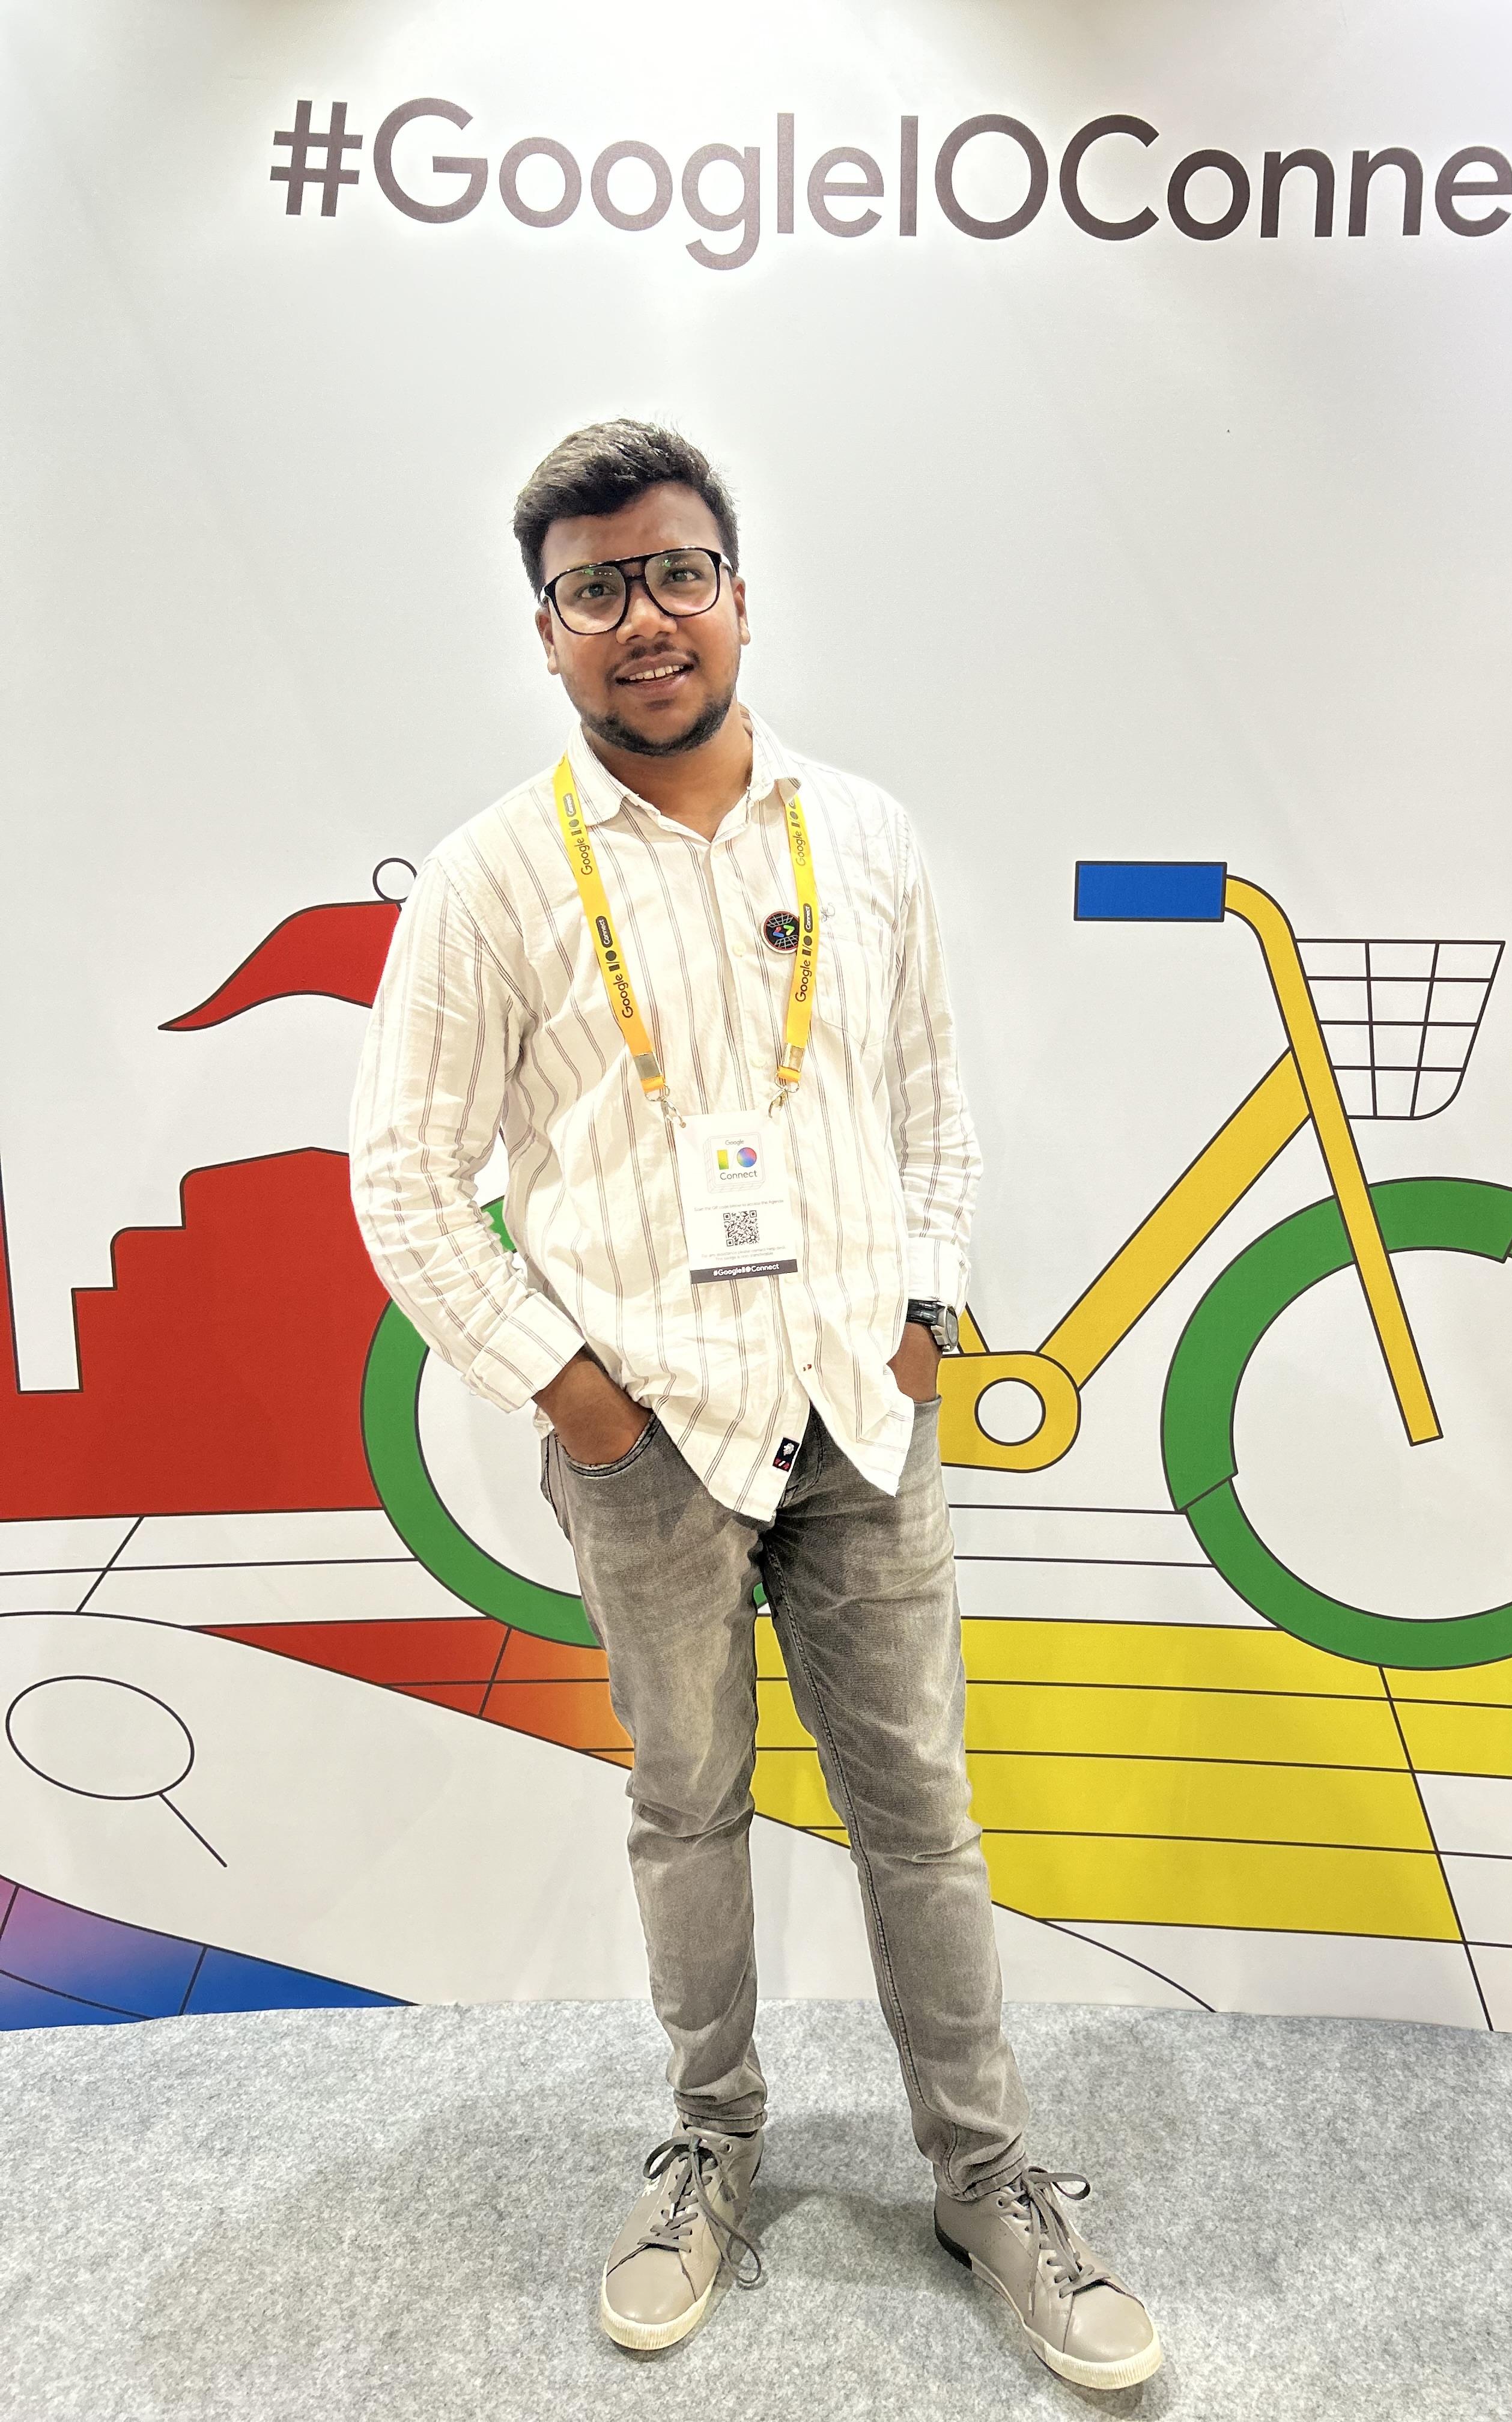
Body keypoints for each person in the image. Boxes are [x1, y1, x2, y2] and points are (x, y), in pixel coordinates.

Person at [349, 419, 1161, 2392]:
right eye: (596, 589)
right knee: (683, 1807)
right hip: (646, 1435)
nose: (646, 619)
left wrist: (922, 1323)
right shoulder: (488, 881)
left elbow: (935, 1115)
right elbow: (401, 1173)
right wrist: (575, 1395)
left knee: (923, 1818)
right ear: (545, 633)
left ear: (738, 589)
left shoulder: (862, 836)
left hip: (860, 1421)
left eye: (678, 572)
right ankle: (710, 2144)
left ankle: (987, 2175)